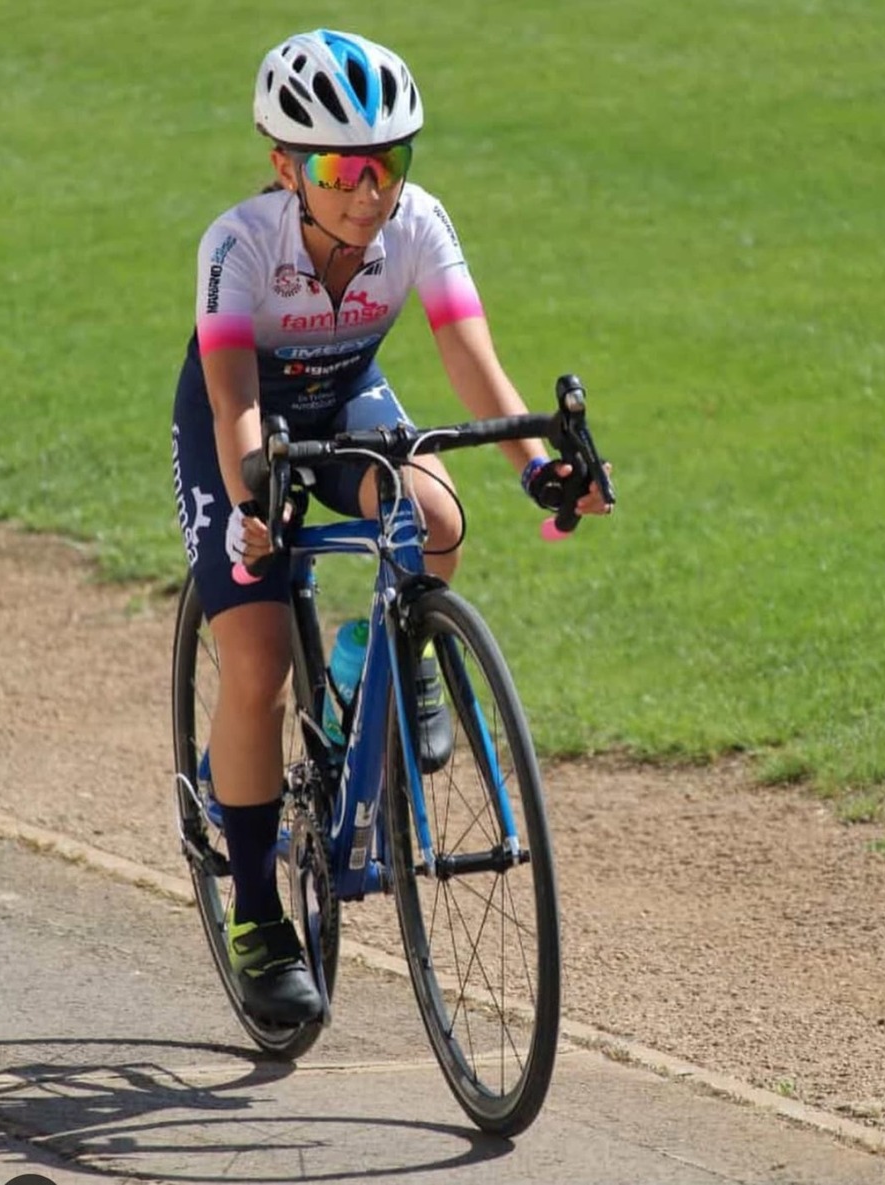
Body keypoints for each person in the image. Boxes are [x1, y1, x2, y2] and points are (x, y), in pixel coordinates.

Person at [171, 28, 612, 1026]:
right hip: (241, 426)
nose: (371, 192)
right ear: (286, 166)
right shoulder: (239, 244)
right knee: (257, 663)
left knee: (436, 518)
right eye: (344, 169)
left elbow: (468, 357)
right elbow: (233, 392)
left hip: (346, 400)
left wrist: (540, 467)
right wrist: (252, 504)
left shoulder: (418, 224)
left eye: (391, 163)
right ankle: (255, 916)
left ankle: (386, 657)